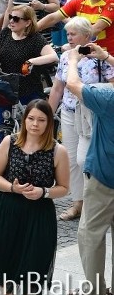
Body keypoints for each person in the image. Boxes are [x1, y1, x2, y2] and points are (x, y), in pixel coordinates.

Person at [0, 100, 69, 295]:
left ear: (49, 123)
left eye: (41, 120)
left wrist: (44, 192)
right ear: (24, 120)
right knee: (4, 267)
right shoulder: (9, 142)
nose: (35, 124)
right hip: (7, 211)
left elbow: (64, 187)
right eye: (31, 118)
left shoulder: (58, 151)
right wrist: (13, 188)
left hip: (39, 217)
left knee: (34, 272)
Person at [48, 18, 114, 224]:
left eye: (74, 34)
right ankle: (78, 203)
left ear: (87, 36)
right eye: (68, 34)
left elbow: (111, 85)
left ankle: (95, 202)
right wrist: (48, 115)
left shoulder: (99, 56)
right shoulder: (66, 57)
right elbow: (58, 87)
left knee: (83, 159)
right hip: (69, 111)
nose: (70, 38)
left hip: (92, 113)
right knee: (70, 161)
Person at [64, 43, 114, 295]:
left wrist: (73, 59)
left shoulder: (108, 98)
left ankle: (95, 290)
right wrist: (106, 57)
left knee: (91, 233)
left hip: (105, 174)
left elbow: (73, 85)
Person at [0, 5, 58, 167]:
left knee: (32, 129)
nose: (11, 21)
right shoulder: (5, 34)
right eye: (10, 17)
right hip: (5, 87)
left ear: (27, 23)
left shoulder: (35, 39)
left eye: (16, 18)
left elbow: (52, 56)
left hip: (28, 88)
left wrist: (31, 61)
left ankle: (33, 165)